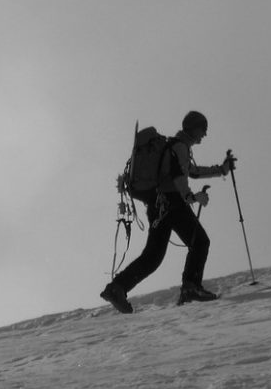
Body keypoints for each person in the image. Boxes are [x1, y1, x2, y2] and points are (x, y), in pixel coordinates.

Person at [101, 111, 237, 313]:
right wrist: (192, 197)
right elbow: (178, 178)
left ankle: (117, 288)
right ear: (192, 128)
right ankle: (191, 287)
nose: (205, 134)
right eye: (203, 129)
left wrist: (222, 170)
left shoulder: (175, 146)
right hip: (172, 203)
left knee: (153, 256)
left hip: (158, 206)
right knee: (200, 241)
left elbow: (191, 171)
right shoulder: (179, 147)